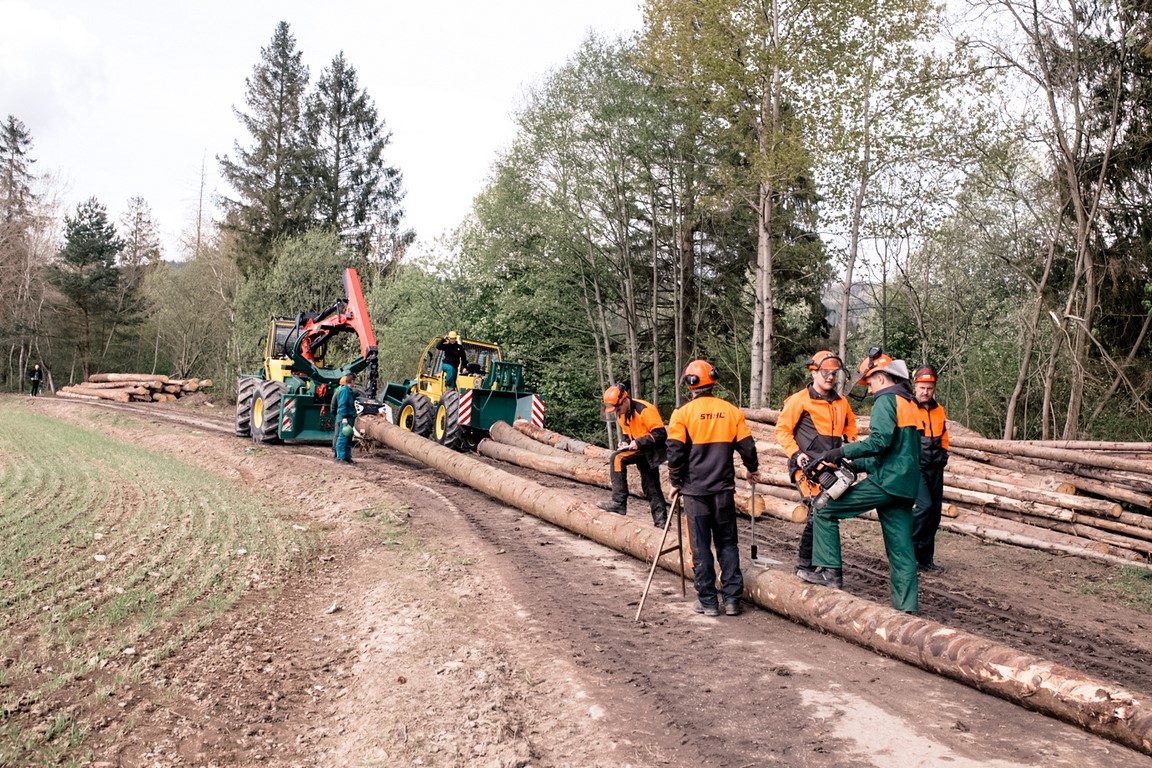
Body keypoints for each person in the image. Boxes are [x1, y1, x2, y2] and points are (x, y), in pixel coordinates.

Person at [798, 348, 921, 614]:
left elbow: (879, 442)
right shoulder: (909, 403)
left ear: (880, 377)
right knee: (901, 550)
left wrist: (839, 452)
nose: (870, 388)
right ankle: (906, 609)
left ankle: (830, 572)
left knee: (824, 509)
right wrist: (853, 463)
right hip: (906, 486)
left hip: (886, 483)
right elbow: (898, 451)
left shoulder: (886, 401)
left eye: (870, 382)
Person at [666, 360, 762, 617]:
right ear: (713, 381)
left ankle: (708, 601)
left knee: (700, 547)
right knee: (727, 544)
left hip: (695, 492)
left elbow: (675, 453)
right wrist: (752, 468)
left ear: (690, 384)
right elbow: (748, 447)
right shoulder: (730, 411)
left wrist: (675, 482)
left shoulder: (682, 414)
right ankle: (732, 600)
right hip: (723, 490)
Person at [775, 350, 858, 580]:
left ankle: (816, 564)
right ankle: (806, 564)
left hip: (833, 466)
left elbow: (850, 426)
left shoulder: (842, 402)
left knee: (823, 512)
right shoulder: (799, 400)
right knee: (817, 511)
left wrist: (851, 446)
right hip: (808, 466)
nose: (830, 377)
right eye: (825, 373)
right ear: (813, 372)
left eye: (834, 373)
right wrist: (796, 454)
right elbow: (782, 430)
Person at [597, 383, 669, 528]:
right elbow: (627, 434)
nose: (617, 412)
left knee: (617, 459)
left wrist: (639, 442)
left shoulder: (645, 410)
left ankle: (619, 502)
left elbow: (660, 434)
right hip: (640, 448)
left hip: (652, 449)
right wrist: (625, 443)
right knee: (650, 486)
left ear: (624, 401)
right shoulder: (621, 415)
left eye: (618, 408)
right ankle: (661, 522)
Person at [912, 365, 949, 574]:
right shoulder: (909, 408)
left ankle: (925, 559)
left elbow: (943, 434)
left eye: (930, 388)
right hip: (917, 468)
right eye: (922, 388)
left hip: (936, 467)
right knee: (923, 508)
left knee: (934, 515)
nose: (925, 392)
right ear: (915, 386)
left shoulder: (938, 409)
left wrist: (944, 453)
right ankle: (907, 551)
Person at [333, 372, 358, 463]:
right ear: (351, 381)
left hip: (350, 417)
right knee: (342, 438)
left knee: (348, 438)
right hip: (345, 418)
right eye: (354, 381)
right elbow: (342, 405)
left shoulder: (350, 391)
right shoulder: (344, 391)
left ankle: (347, 457)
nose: (355, 383)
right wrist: (344, 417)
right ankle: (340, 457)